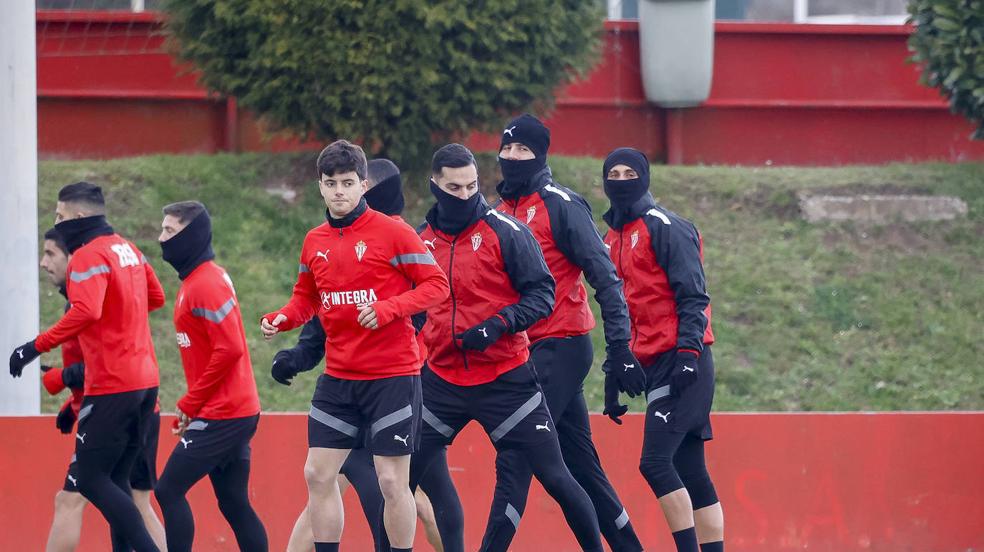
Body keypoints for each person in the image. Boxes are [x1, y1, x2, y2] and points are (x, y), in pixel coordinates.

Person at [404, 143, 603, 552]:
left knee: (556, 477)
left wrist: (497, 326)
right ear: (435, 186)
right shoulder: (419, 242)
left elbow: (542, 293)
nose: (464, 196)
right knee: (395, 479)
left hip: (506, 379)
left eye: (471, 186)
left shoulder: (506, 231)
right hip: (442, 381)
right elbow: (412, 307)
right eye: (454, 188)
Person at [260, 140, 449, 552]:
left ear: (363, 185)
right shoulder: (314, 241)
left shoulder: (394, 232)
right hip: (339, 378)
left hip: (392, 377)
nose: (339, 191)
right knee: (317, 474)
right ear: (321, 187)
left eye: (348, 183)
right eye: (331, 183)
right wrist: (282, 319)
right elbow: (306, 298)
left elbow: (437, 286)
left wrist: (388, 309)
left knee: (391, 481)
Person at [488, 114, 644, 551]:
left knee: (516, 455)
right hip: (522, 353)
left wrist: (620, 350)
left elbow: (606, 278)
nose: (513, 157)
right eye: (507, 149)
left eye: (523, 150)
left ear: (541, 154)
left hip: (563, 345)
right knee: (579, 467)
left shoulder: (561, 204)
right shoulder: (497, 214)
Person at [9, 182, 165, 551]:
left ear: (79, 216)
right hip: (147, 383)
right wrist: (121, 321)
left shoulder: (87, 255)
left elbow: (86, 311)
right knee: (122, 485)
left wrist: (33, 347)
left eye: (60, 216)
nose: (57, 222)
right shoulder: (128, 248)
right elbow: (154, 296)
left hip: (113, 385)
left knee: (93, 482)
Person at [600, 148, 724, 552]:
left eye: (629, 172)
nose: (620, 180)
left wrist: (688, 354)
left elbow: (693, 296)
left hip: (685, 360)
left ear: (645, 177)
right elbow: (623, 311)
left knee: (654, 463)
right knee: (691, 469)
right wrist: (615, 372)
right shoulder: (609, 237)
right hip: (652, 363)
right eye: (613, 173)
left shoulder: (667, 227)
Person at [154, 201, 268, 551]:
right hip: (228, 411)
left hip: (227, 413)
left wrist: (191, 402)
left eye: (170, 231)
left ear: (191, 235)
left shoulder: (206, 283)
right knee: (234, 502)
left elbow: (230, 348)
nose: (161, 239)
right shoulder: (197, 279)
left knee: (168, 490)